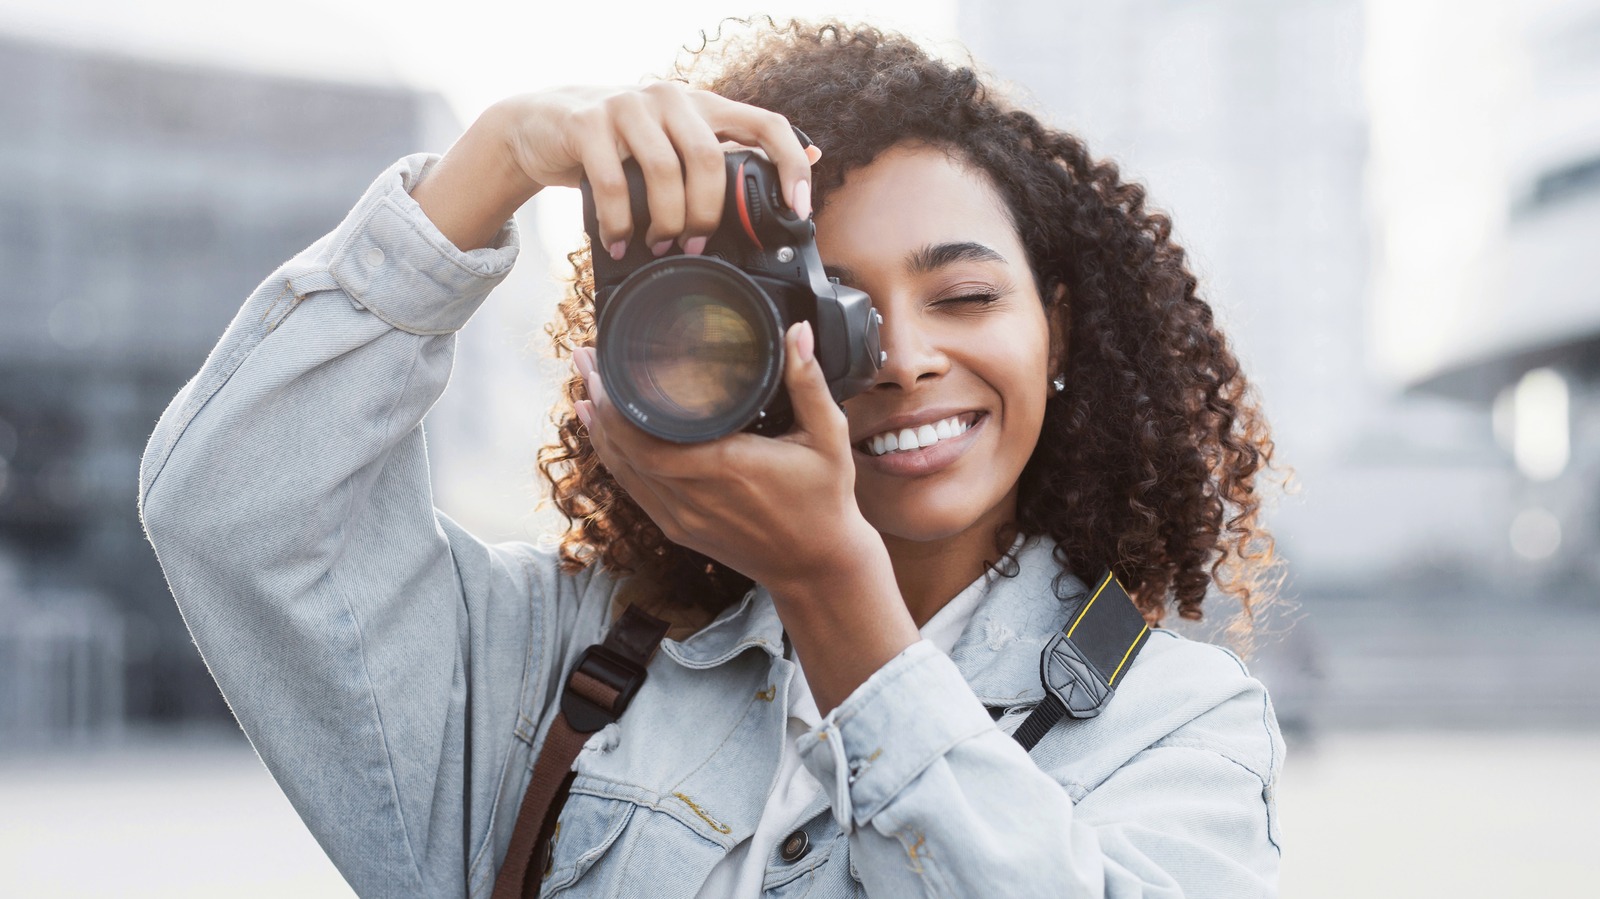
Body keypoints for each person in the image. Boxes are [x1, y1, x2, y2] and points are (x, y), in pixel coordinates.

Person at [140, 19, 1285, 899]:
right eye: (829, 308)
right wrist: (493, 163)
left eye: (965, 294)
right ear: (713, 338)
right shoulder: (558, 662)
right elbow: (236, 510)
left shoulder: (1174, 723)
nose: (901, 356)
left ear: (1060, 331)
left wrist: (835, 592)